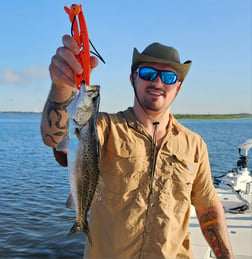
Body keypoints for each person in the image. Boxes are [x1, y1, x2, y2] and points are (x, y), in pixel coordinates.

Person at [40, 34, 234, 259]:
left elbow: (207, 205)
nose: (158, 82)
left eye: (169, 77)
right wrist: (61, 87)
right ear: (133, 78)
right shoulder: (103, 127)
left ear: (178, 86)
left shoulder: (195, 145)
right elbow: (55, 139)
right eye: (148, 73)